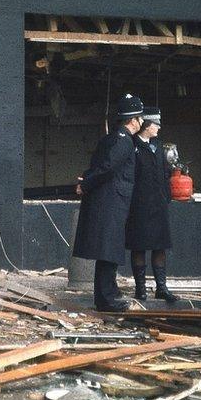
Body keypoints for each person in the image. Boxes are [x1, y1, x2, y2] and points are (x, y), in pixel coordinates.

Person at [73, 93, 143, 312]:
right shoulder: (123, 141)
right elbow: (108, 167)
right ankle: (108, 298)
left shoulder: (113, 138)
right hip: (112, 201)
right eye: (140, 117)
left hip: (109, 200)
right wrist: (86, 185)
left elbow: (99, 166)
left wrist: (86, 181)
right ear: (133, 120)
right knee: (108, 249)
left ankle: (107, 295)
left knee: (108, 250)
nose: (142, 121)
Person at [125, 107, 179, 303]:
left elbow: (165, 173)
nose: (158, 127)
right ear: (146, 125)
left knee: (160, 246)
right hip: (139, 204)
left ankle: (161, 288)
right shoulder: (132, 145)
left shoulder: (158, 145)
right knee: (139, 247)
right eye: (156, 124)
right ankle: (140, 289)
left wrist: (166, 196)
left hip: (158, 204)